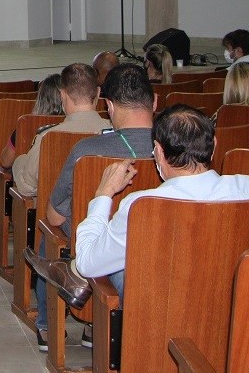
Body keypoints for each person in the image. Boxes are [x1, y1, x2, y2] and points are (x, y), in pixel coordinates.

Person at [28, 105, 249, 307]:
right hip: (244, 304)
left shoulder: (142, 205)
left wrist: (103, 195)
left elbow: (88, 264)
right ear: (213, 145)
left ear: (157, 151)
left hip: (168, 310)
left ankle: (67, 272)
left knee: (120, 264)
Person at [32, 63, 157, 350]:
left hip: (95, 249)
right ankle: (92, 328)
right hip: (158, 247)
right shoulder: (175, 150)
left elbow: (54, 215)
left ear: (109, 106)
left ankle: (48, 326)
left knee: (48, 233)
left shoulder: (86, 151)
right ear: (155, 102)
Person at [0, 65, 110, 198]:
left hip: (58, 216)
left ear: (62, 94)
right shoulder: (116, 132)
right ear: (98, 93)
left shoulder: (49, 137)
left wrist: (20, 161)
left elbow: (27, 187)